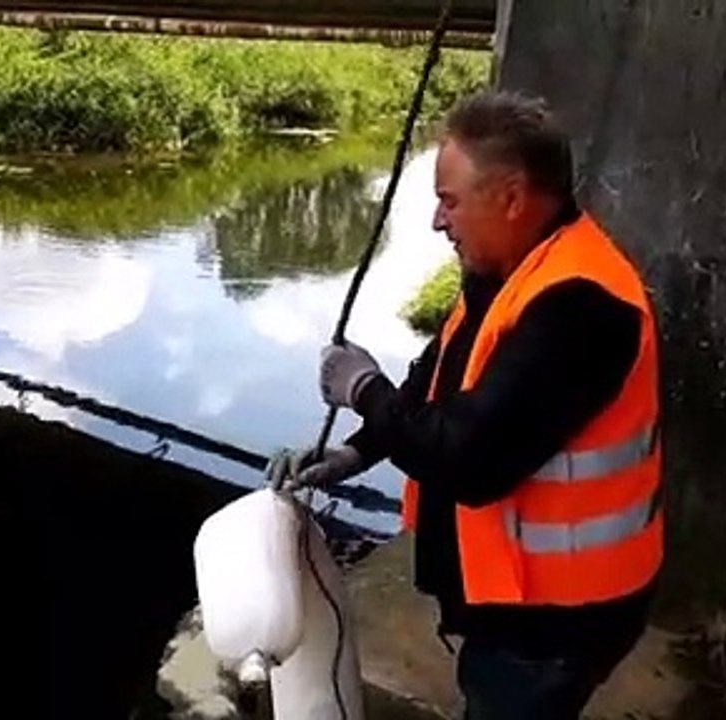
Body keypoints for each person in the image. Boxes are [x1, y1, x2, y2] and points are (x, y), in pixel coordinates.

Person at [267, 89, 662, 720]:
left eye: (448, 200)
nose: (436, 221)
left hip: (552, 626)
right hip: (517, 607)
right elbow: (444, 377)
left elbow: (469, 459)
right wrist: (358, 449)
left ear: (509, 197)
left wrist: (364, 389)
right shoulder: (511, 265)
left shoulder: (582, 308)